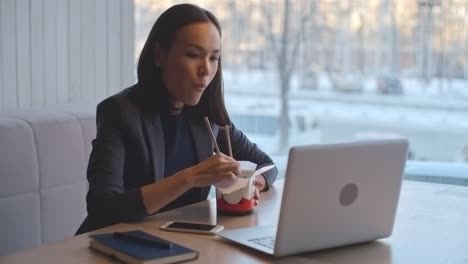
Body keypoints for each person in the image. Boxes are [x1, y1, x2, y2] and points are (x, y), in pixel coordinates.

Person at [76, 3, 277, 235]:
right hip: (115, 244)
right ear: (159, 54)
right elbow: (102, 207)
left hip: (180, 242)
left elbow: (266, 165)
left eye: (214, 58)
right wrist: (191, 177)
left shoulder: (207, 116)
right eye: (193, 55)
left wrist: (253, 184)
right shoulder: (119, 112)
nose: (205, 70)